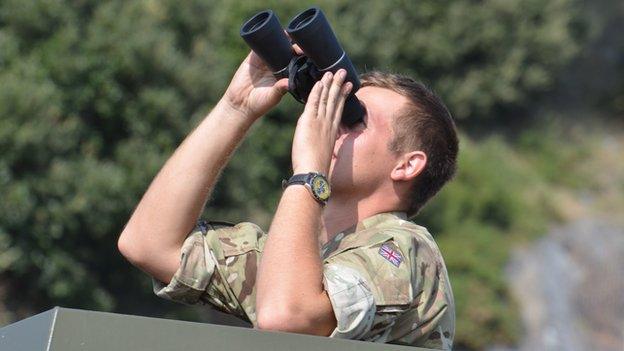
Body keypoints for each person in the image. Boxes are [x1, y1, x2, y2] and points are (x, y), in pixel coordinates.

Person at [118, 44, 458, 350]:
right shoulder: (298, 261)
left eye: (355, 118)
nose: (335, 123)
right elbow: (148, 245)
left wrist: (310, 173)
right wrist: (235, 108)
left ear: (407, 165)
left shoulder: (406, 250)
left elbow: (285, 316)